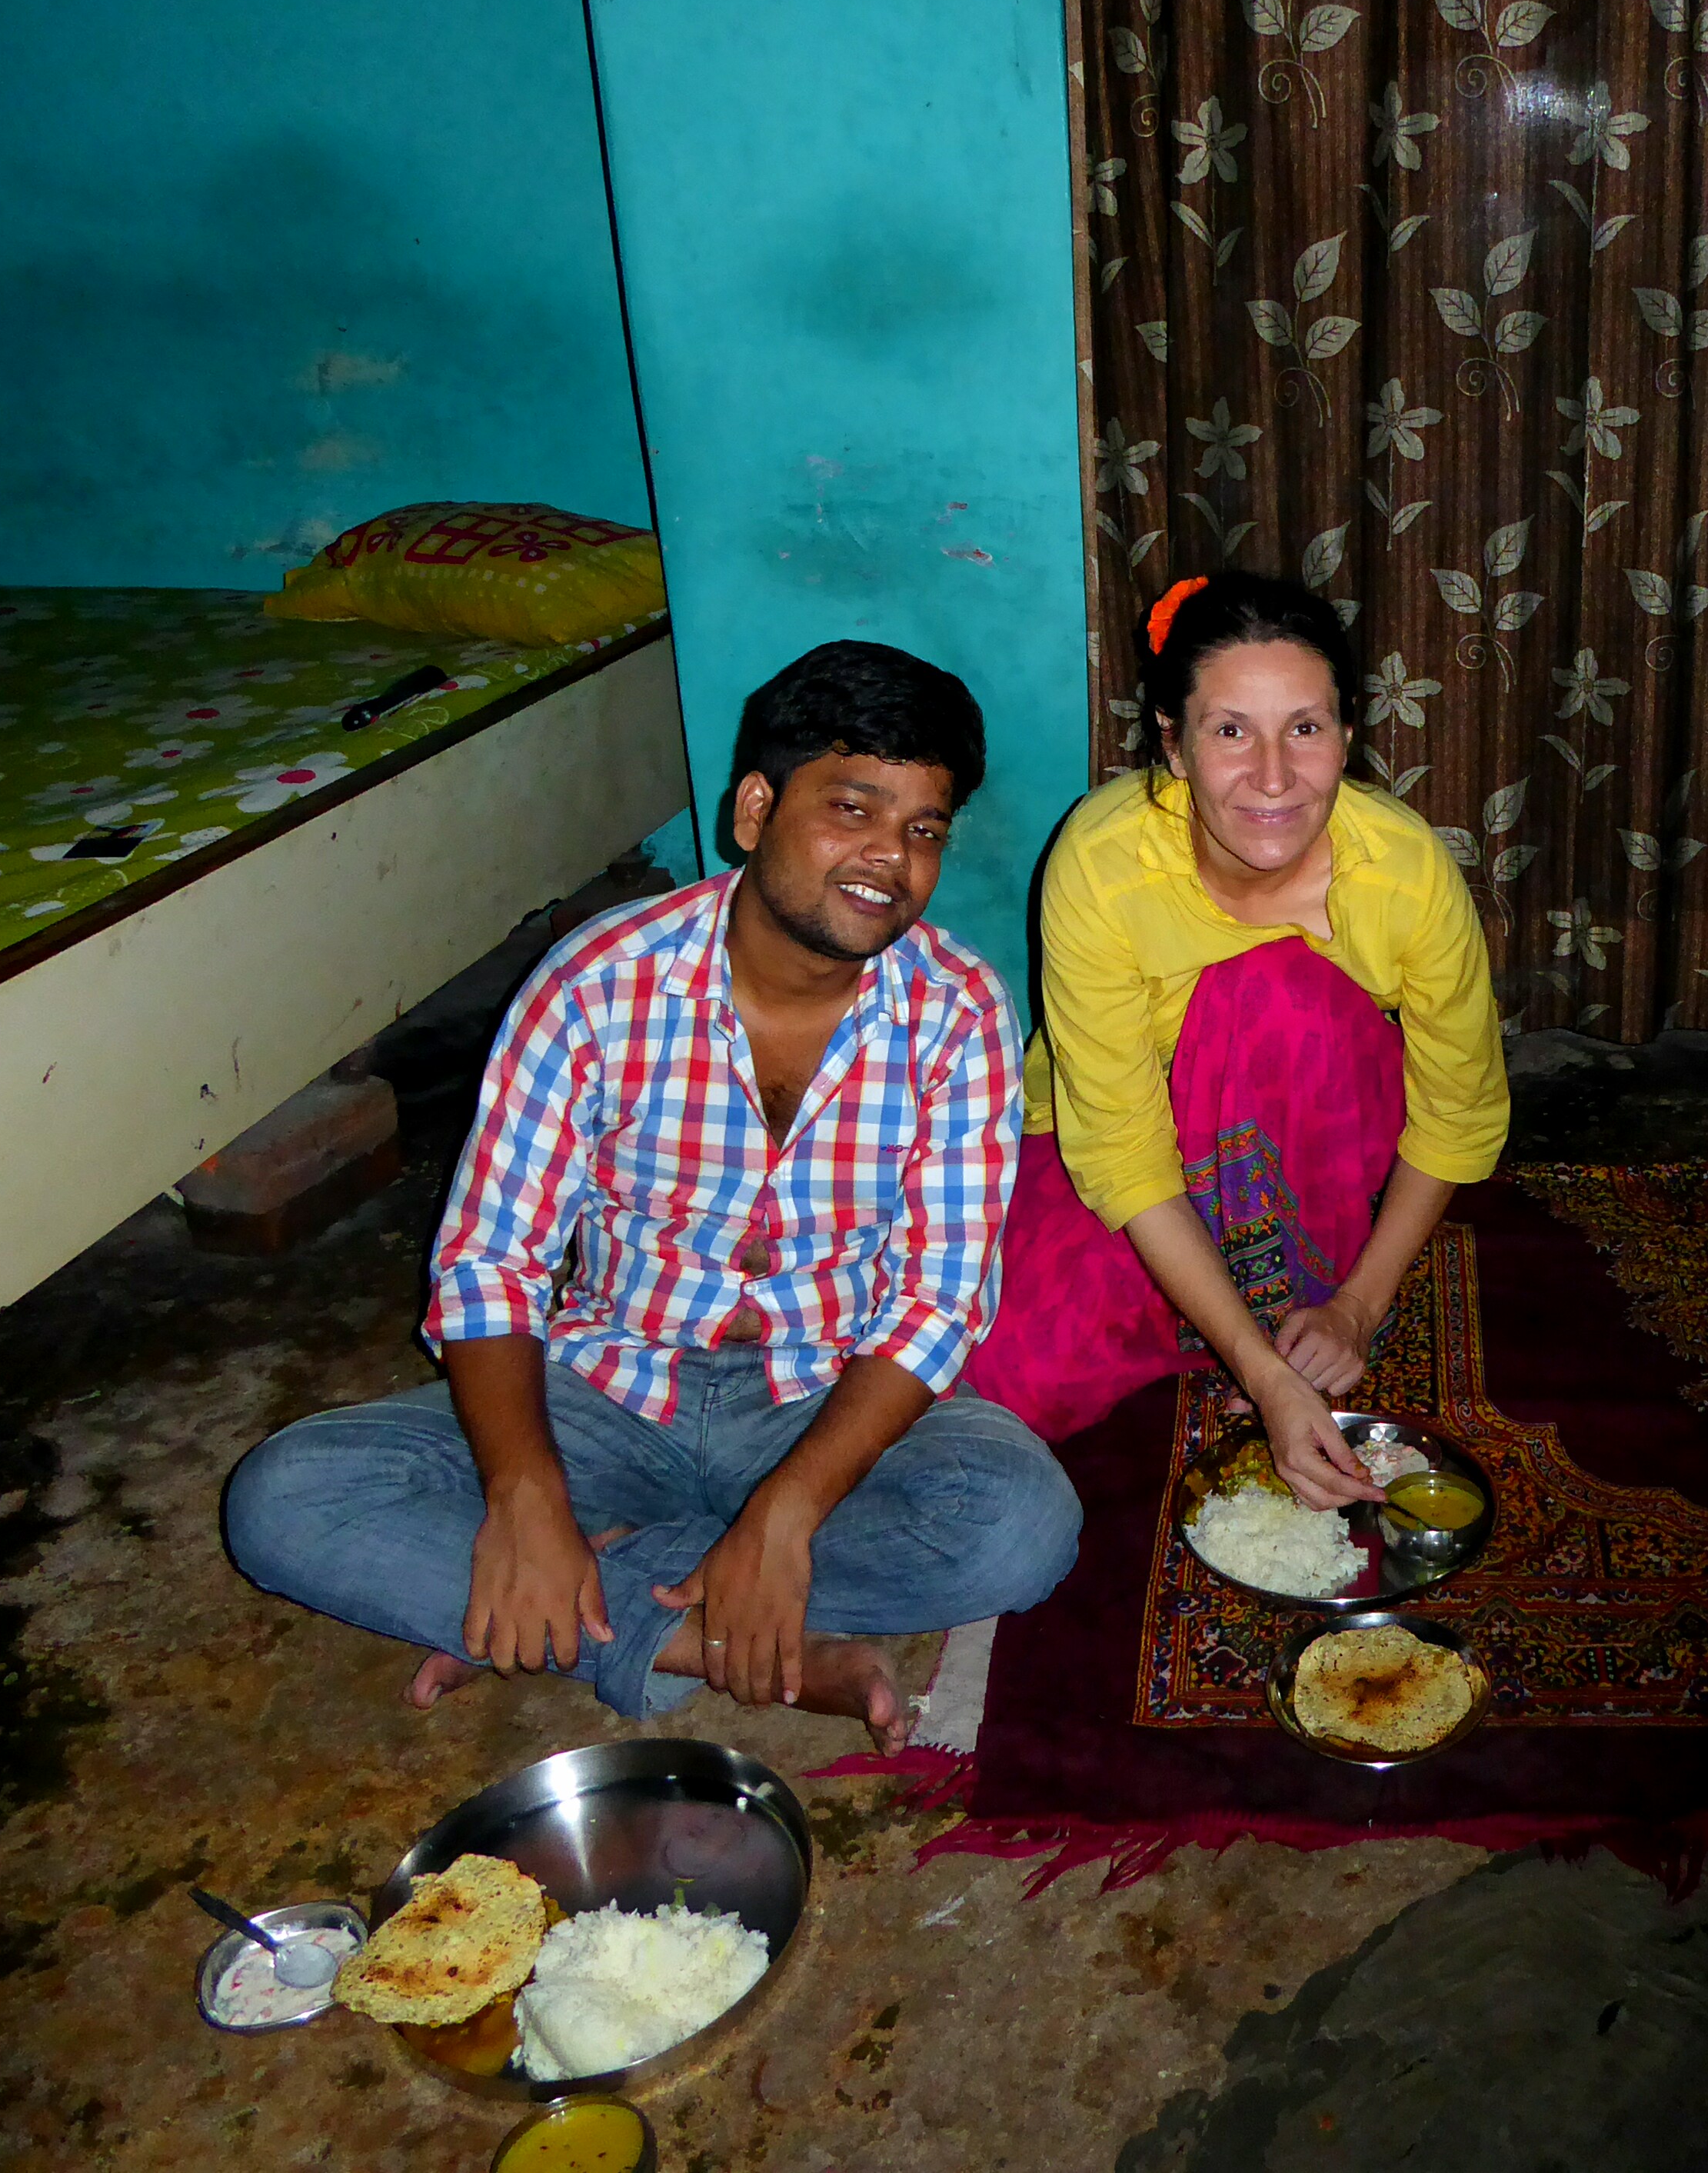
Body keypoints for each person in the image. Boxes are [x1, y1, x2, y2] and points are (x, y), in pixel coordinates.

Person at [225, 642, 1077, 1748]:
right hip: (607, 1394)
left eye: (923, 828)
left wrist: (788, 1510)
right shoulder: (600, 980)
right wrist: (528, 1496)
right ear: (756, 809)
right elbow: (492, 1261)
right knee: (284, 1497)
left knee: (1021, 1526)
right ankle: (684, 1632)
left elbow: (937, 1304)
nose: (889, 860)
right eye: (853, 808)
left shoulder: (958, 1012)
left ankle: (573, 1604)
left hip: (815, 1397)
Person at [961, 572, 1508, 1508]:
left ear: (1345, 735)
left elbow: (1459, 1115)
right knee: (1012, 1376)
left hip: (1305, 1124)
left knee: (1273, 993)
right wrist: (1264, 1374)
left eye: (1305, 727)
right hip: (1126, 1138)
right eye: (1229, 731)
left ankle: (1287, 1285)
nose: (1271, 777)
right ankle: (1240, 1310)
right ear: (1171, 743)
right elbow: (1122, 1152)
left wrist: (1356, 1308)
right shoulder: (1101, 864)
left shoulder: (1404, 871)